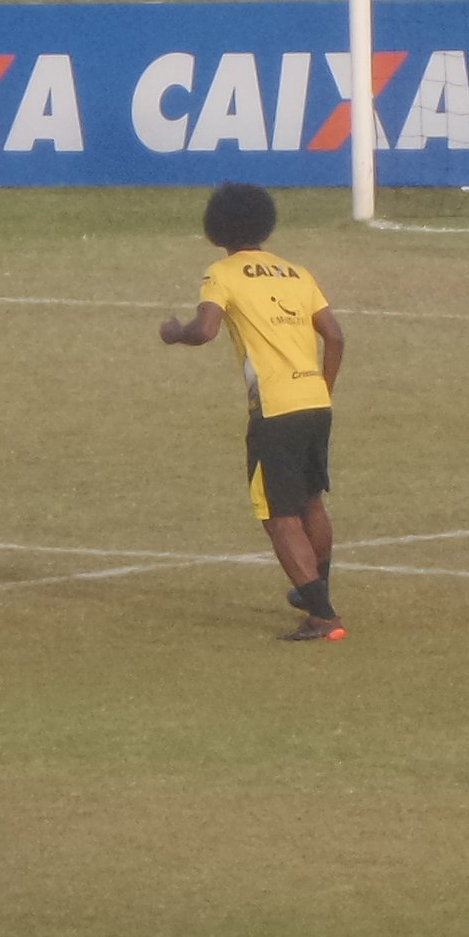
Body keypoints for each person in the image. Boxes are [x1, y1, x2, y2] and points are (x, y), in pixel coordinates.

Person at [159, 182, 348, 643]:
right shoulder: (296, 273)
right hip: (315, 403)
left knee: (277, 514)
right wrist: (321, 390)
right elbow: (336, 336)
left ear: (214, 228)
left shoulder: (222, 273)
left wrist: (174, 332)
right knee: (310, 501)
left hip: (275, 410)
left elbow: (205, 330)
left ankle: (322, 615)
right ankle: (313, 590)